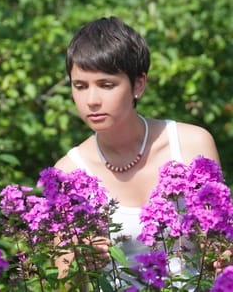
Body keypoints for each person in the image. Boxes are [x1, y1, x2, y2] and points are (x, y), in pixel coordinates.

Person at [54, 16, 221, 287]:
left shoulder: (192, 145)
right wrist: (79, 262)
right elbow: (64, 282)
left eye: (106, 85)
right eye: (80, 86)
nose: (92, 100)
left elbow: (219, 245)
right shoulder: (67, 173)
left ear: (138, 85)